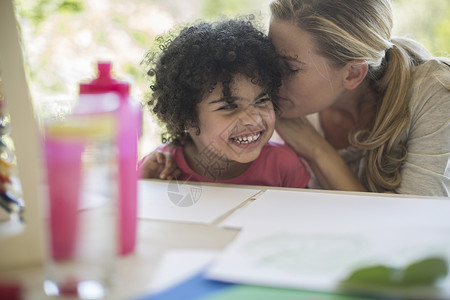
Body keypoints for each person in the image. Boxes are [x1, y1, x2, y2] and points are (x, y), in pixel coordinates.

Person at [268, 0, 450, 196]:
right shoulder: (292, 105)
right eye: (269, 60)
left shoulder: (435, 93)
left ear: (353, 74)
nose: (270, 79)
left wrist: (316, 150)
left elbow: (411, 221)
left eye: (290, 68)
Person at [139, 18, 310, 188]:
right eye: (229, 106)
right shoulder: (160, 167)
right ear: (188, 118)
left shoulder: (284, 165)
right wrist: (145, 185)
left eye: (262, 100)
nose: (253, 120)